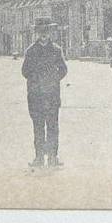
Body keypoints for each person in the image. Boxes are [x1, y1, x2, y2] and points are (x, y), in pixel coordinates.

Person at [21, 17, 68, 168]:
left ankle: (53, 157)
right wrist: (38, 80)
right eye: (41, 31)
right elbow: (25, 71)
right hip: (35, 96)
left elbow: (63, 70)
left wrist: (52, 80)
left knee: (53, 126)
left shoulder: (56, 50)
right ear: (36, 32)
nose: (44, 34)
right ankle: (39, 157)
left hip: (52, 95)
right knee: (38, 127)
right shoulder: (30, 51)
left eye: (46, 31)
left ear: (50, 33)